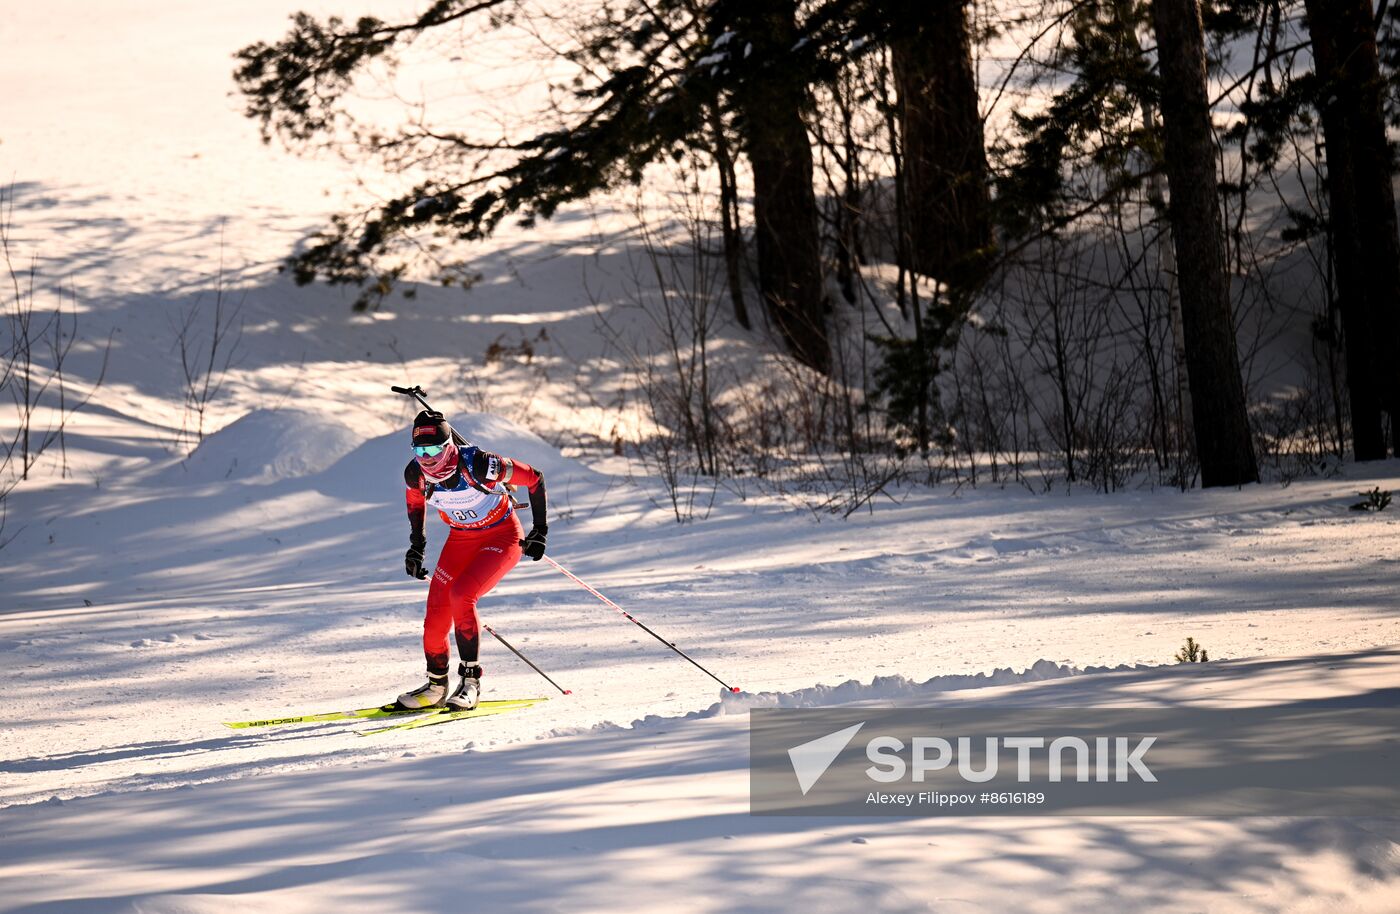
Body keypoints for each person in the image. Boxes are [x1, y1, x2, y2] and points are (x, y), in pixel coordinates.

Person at [395, 409, 548, 711]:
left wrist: (539, 531)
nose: (426, 457)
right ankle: (436, 686)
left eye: (433, 449)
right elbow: (415, 505)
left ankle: (471, 683)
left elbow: (534, 478)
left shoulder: (480, 465)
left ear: (448, 444)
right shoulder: (415, 473)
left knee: (462, 596)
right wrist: (416, 547)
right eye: (420, 450)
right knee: (435, 616)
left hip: (501, 537)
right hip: (460, 539)